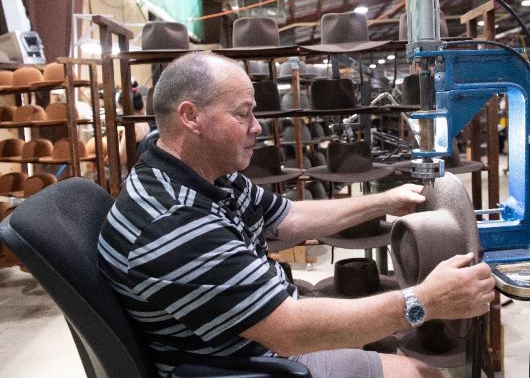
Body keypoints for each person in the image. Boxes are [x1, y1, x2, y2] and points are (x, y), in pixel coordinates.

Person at [98, 52, 495, 378]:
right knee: (420, 376)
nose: (257, 127)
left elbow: (289, 218)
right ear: (191, 117)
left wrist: (384, 201)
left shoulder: (203, 174)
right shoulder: (173, 221)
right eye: (243, 114)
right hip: (239, 365)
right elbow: (289, 332)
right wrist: (423, 300)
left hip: (247, 341)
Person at [117, 81, 151, 167]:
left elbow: (122, 159)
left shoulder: (131, 127)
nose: (119, 111)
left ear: (124, 106)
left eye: (119, 108)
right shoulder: (146, 122)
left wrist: (117, 137)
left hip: (135, 169)